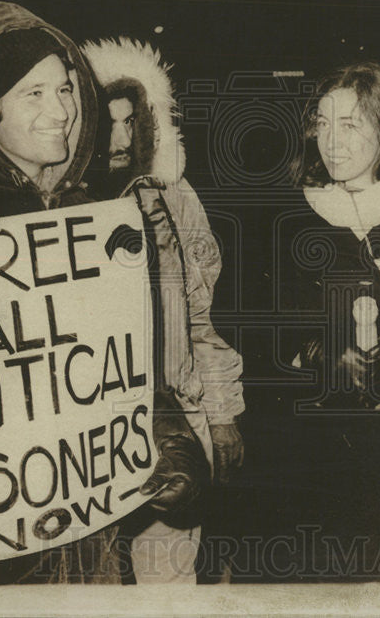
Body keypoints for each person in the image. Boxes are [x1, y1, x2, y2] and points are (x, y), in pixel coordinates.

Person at [0, 0, 208, 584]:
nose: (61, 111)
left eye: (65, 89)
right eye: (32, 94)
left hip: (91, 549)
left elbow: (119, 364)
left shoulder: (94, 216)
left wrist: (167, 441)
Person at [240, 61, 380, 582]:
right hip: (314, 454)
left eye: (352, 124)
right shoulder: (287, 216)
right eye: (323, 122)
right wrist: (311, 354)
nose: (332, 142)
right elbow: (250, 327)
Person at [81, 37, 245, 583]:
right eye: (109, 124)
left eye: (132, 122)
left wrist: (221, 418)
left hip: (173, 425)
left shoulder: (175, 201)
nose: (121, 139)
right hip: (80, 437)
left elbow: (201, 322)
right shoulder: (53, 209)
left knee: (169, 582)